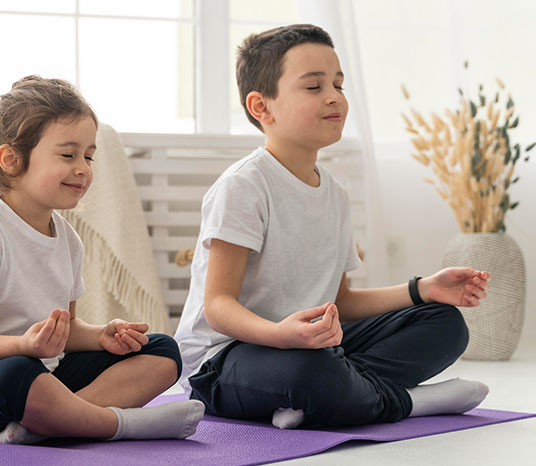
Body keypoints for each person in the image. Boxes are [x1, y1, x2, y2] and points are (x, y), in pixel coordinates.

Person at [173, 23, 491, 430]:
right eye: (314, 86)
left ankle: (330, 396)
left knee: (444, 324)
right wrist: (281, 335)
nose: (334, 97)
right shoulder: (244, 186)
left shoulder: (335, 195)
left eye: (338, 85)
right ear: (261, 107)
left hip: (311, 347)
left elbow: (342, 300)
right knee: (309, 371)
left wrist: (422, 289)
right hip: (223, 360)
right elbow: (218, 306)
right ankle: (408, 402)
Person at [0, 75, 204, 446]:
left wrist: (101, 335)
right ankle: (119, 424)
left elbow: (67, 331)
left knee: (163, 350)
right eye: (68, 155)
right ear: (11, 160)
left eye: (88, 156)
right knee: (17, 372)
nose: (84, 168)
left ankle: (48, 425)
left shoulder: (69, 239)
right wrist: (23, 345)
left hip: (45, 376)